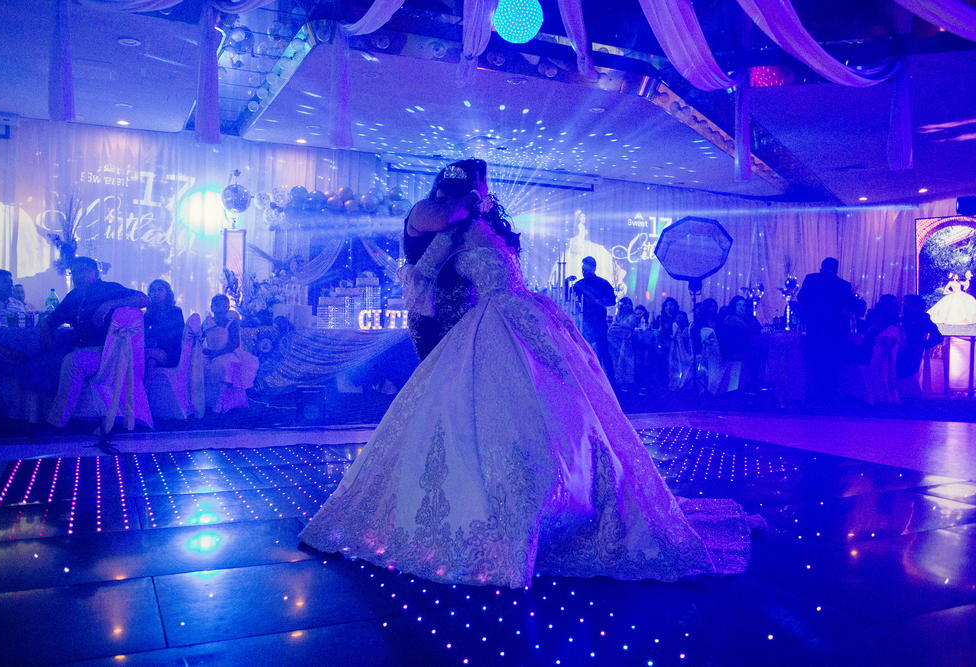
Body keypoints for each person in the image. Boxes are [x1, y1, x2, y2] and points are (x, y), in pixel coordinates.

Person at [299, 177, 754, 589]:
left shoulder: (493, 229)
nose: (486, 190)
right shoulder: (452, 228)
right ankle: (512, 516)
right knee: (495, 411)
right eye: (479, 183)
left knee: (566, 408)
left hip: (529, 315)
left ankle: (565, 502)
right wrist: (433, 317)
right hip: (490, 323)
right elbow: (419, 275)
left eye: (486, 185)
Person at [42, 257, 150, 427]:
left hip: (107, 351)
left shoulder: (108, 289)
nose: (79, 276)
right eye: (75, 272)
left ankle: (56, 423)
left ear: (96, 273)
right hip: (81, 347)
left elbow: (144, 299)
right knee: (43, 361)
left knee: (74, 362)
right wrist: (45, 329)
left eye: (84, 271)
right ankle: (34, 417)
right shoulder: (74, 296)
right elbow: (53, 318)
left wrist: (110, 304)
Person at [401, 159, 485, 360]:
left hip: (464, 312)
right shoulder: (423, 209)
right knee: (437, 378)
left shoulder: (467, 219)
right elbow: (445, 218)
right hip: (429, 312)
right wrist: (473, 196)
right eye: (481, 182)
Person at [797, 258, 856, 402]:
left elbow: (801, 298)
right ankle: (830, 397)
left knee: (813, 362)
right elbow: (851, 307)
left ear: (821, 267)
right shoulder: (844, 285)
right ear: (836, 269)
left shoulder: (811, 279)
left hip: (815, 328)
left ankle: (812, 397)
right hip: (836, 332)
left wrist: (805, 318)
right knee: (832, 364)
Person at [202, 294, 258, 412]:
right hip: (211, 353)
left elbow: (234, 344)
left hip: (228, 353)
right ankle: (204, 402)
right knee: (200, 364)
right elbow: (201, 339)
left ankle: (220, 403)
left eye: (223, 305)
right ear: (212, 307)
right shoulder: (207, 323)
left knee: (221, 365)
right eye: (216, 305)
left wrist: (218, 353)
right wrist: (204, 350)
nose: (219, 308)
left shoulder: (231, 323)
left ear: (228, 307)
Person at [572, 256, 616, 379]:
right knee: (585, 350)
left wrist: (598, 301)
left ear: (593, 268)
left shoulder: (604, 284)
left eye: (586, 269)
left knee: (603, 351)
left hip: (600, 322)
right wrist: (567, 282)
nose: (583, 271)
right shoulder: (579, 285)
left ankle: (610, 380)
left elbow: (612, 301)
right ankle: (587, 377)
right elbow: (568, 297)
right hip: (584, 322)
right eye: (582, 269)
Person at [144, 279, 185, 371]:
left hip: (171, 351)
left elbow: (178, 335)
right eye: (153, 290)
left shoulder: (176, 311)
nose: (156, 293)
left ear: (167, 293)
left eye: (159, 290)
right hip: (151, 349)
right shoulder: (148, 314)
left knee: (151, 361)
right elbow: (143, 334)